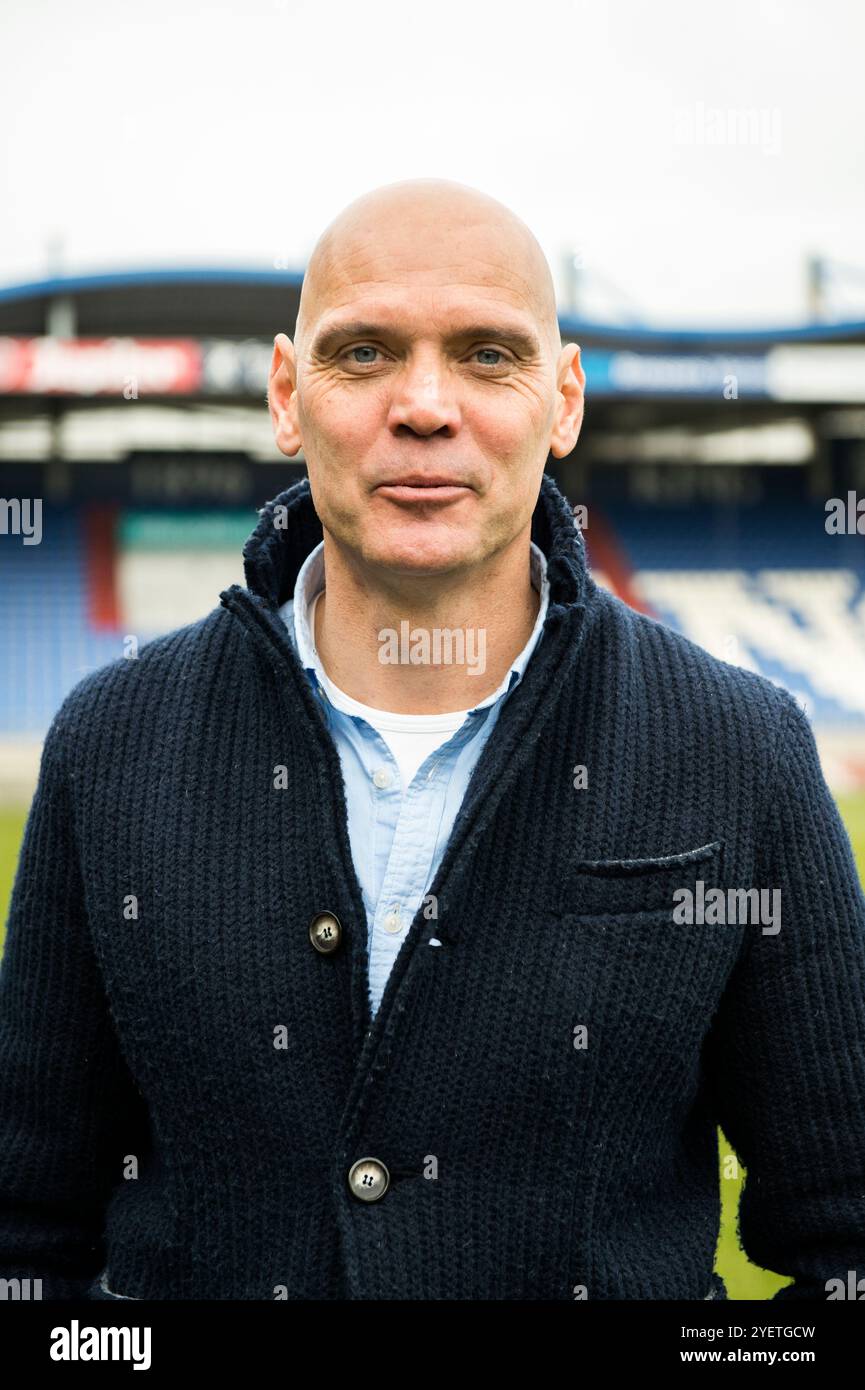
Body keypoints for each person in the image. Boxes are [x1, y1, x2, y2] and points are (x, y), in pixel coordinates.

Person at [1, 178, 864, 1301]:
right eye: (361, 354)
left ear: (563, 401)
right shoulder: (111, 741)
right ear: (284, 393)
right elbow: (28, 1240)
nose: (422, 404)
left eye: (487, 355)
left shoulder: (738, 748)